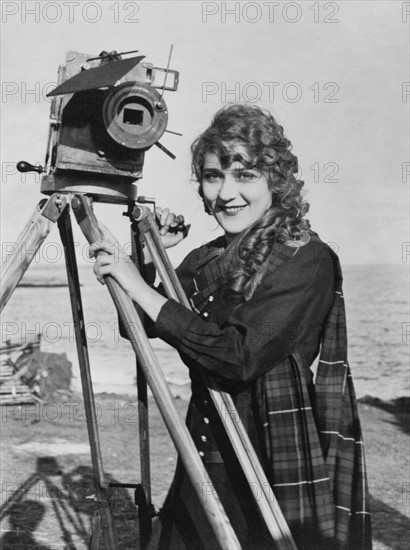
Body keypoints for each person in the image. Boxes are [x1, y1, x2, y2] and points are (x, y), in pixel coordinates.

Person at [90, 104, 372, 550]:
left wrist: (133, 279)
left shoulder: (305, 258)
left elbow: (236, 357)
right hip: (205, 454)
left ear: (275, 182)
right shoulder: (209, 257)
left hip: (271, 461)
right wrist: (149, 255)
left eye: (245, 176)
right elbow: (140, 325)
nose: (226, 193)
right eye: (213, 176)